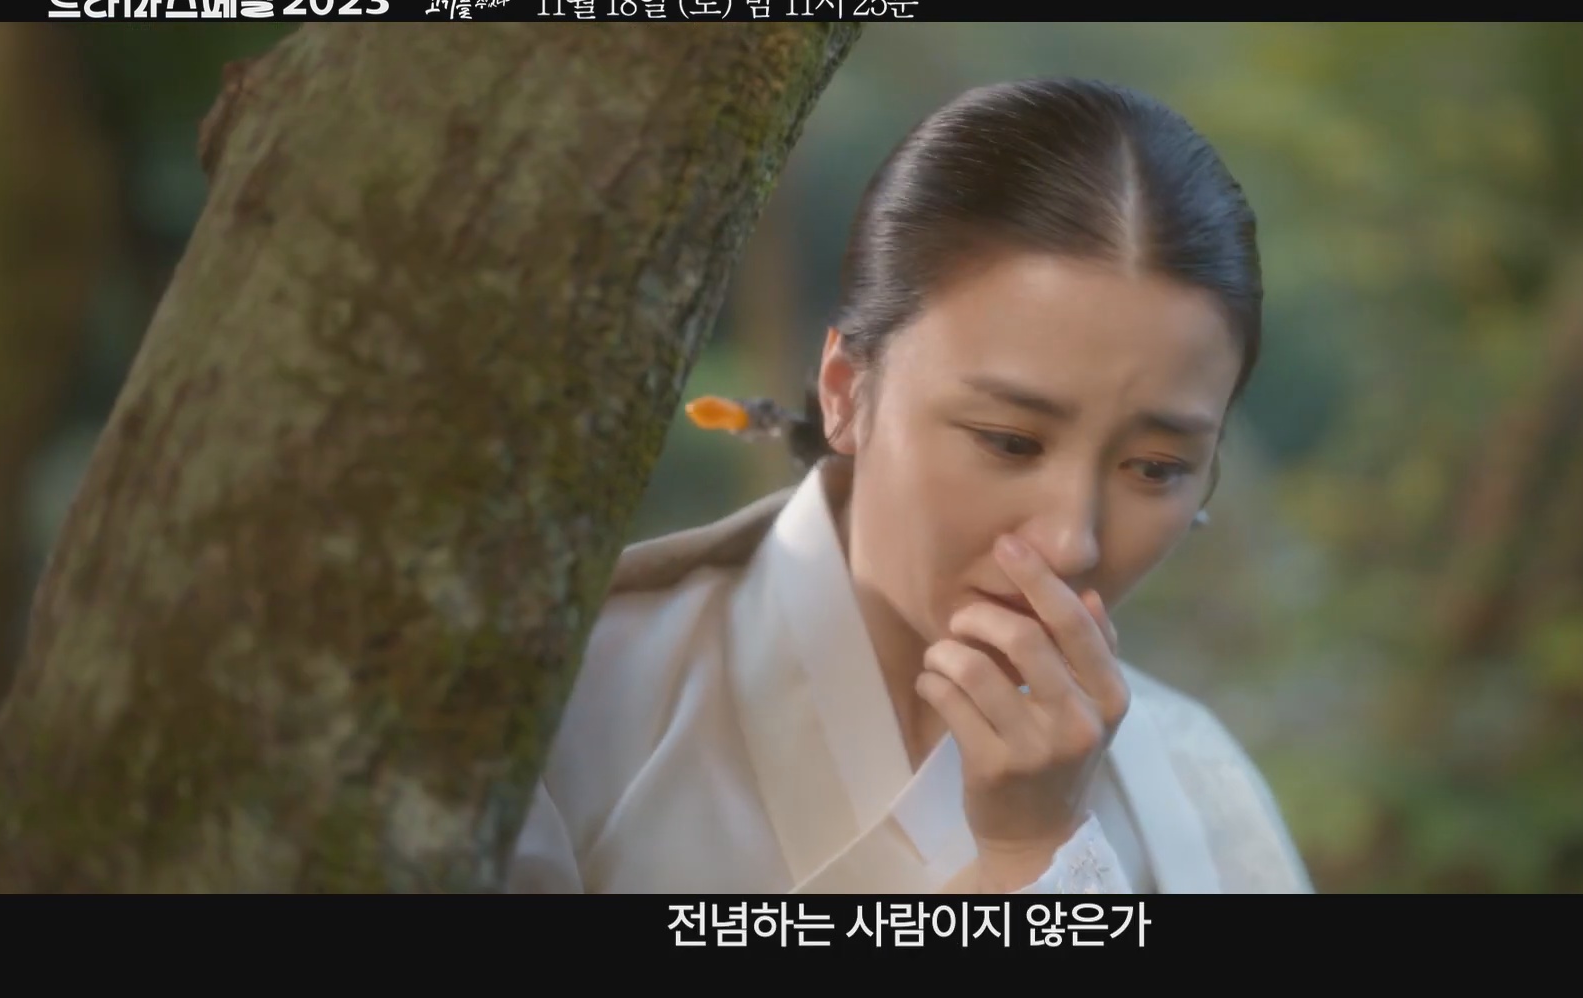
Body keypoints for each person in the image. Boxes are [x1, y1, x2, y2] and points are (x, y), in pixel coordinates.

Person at [507, 78, 1314, 895]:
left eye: (1156, 468)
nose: (1072, 542)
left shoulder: (1198, 786)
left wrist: (1042, 849)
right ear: (845, 390)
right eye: (1009, 441)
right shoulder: (562, 709)